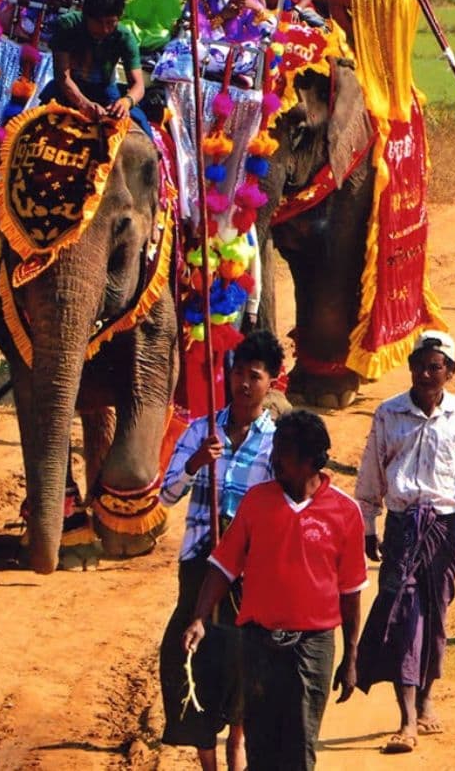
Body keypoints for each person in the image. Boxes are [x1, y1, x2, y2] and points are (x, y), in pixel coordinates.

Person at [353, 331, 455, 754]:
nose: (426, 374)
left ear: (451, 372)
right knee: (404, 614)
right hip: (402, 526)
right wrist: (368, 524)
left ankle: (426, 697)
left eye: (436, 366)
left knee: (435, 614)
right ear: (410, 367)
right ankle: (406, 719)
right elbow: (371, 471)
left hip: (444, 530)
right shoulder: (388, 414)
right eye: (420, 365)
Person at [181, 410, 366, 771]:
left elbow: (351, 592)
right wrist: (199, 618)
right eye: (275, 449)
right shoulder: (256, 502)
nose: (274, 459)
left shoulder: (346, 511)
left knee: (298, 748)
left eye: (285, 452)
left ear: (312, 461)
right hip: (257, 644)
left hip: (312, 648)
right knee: (261, 748)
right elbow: (223, 566)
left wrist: (351, 657)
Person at [159, 330, 283, 770]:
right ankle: (207, 755)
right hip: (199, 560)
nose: (243, 384)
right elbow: (165, 495)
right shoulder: (200, 430)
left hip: (250, 568)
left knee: (242, 658)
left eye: (254, 376)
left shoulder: (275, 441)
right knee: (191, 653)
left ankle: (238, 744)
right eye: (237, 374)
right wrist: (196, 464)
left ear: (272, 382)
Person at [50, 0, 147, 129]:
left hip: (106, 90)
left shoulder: (125, 37)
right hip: (67, 89)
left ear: (119, 18)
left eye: (111, 22)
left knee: (143, 131)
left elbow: (138, 85)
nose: (105, 29)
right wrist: (83, 103)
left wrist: (126, 102)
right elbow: (63, 77)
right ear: (85, 15)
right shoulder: (67, 26)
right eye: (98, 22)